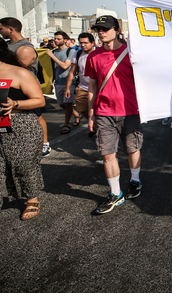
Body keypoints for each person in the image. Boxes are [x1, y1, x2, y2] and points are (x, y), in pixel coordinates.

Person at [0, 34, 46, 248]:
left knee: (23, 167)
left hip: (20, 129)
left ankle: (31, 197)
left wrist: (15, 104)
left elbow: (39, 100)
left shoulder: (18, 72)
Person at [86, 15, 143, 214]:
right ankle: (115, 193)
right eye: (98, 29)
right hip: (104, 113)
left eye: (105, 28)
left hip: (130, 111)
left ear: (117, 30)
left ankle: (135, 180)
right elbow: (92, 86)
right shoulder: (94, 56)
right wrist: (91, 113)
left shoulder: (132, 53)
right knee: (107, 153)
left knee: (132, 149)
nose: (101, 32)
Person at [0, 17, 51, 157]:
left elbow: (18, 71)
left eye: (1, 28)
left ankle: (44, 144)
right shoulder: (6, 45)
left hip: (27, 90)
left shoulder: (24, 48)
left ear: (11, 29)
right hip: (8, 89)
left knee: (36, 116)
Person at [46, 31, 81, 134]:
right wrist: (51, 81)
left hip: (68, 82)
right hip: (58, 82)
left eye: (58, 39)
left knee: (68, 104)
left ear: (65, 40)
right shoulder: (54, 52)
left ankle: (66, 124)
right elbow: (52, 68)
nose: (55, 41)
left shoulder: (70, 52)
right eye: (55, 39)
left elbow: (65, 66)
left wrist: (52, 56)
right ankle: (76, 115)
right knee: (62, 104)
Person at [65, 33, 95, 120]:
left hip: (98, 88)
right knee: (82, 108)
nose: (83, 45)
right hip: (83, 87)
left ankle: (97, 127)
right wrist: (67, 88)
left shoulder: (99, 53)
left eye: (85, 43)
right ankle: (94, 125)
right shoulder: (77, 53)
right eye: (81, 43)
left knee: (98, 111)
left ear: (92, 43)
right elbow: (72, 72)